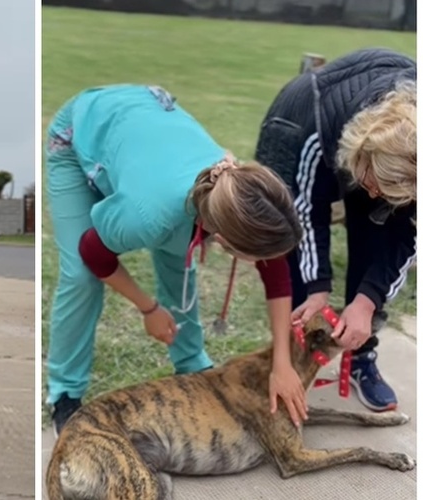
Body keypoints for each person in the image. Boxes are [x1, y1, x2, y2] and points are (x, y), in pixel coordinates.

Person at [45, 84, 305, 435]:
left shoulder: (244, 198)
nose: (263, 262)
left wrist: (282, 362)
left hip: (141, 124)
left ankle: (192, 364)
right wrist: (149, 309)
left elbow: (277, 276)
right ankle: (65, 392)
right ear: (225, 240)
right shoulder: (148, 216)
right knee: (81, 276)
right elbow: (94, 253)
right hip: (80, 134)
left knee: (176, 250)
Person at [254, 48, 416, 412]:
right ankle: (295, 359)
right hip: (305, 124)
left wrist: (367, 301)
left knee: (377, 235)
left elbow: (408, 237)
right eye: (374, 186)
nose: (375, 195)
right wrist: (317, 287)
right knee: (291, 245)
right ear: (361, 157)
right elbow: (305, 213)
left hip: (382, 153)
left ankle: (360, 357)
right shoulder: (313, 133)